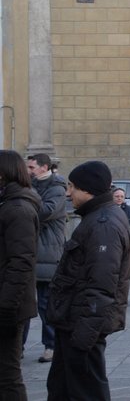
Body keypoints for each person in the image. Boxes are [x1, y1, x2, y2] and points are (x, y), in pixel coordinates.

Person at [46, 160, 130, 401]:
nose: (67, 192)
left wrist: (84, 336)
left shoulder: (103, 224)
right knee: (63, 389)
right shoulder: (96, 218)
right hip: (73, 323)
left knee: (86, 393)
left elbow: (102, 285)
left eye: (72, 186)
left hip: (82, 328)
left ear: (88, 189)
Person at [0, 150, 41, 399]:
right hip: (7, 300)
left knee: (8, 376)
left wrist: (6, 308)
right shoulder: (8, 204)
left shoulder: (18, 209)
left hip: (9, 305)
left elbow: (21, 262)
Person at [23, 153, 67, 364]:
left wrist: (26, 193)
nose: (28, 171)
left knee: (46, 305)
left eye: (32, 167)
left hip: (47, 254)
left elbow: (46, 211)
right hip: (28, 253)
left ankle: (50, 345)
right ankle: (18, 346)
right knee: (21, 304)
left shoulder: (57, 187)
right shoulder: (30, 185)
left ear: (44, 167)